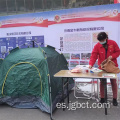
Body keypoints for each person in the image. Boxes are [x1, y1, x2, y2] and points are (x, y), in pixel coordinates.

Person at [89, 32, 120, 106]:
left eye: (102, 40)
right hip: (102, 67)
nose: (101, 42)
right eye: (100, 41)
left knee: (113, 83)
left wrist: (112, 56)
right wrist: (90, 64)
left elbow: (118, 52)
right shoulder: (97, 46)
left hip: (112, 67)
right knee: (102, 83)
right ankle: (102, 98)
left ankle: (114, 99)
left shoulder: (113, 43)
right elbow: (94, 55)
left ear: (106, 38)